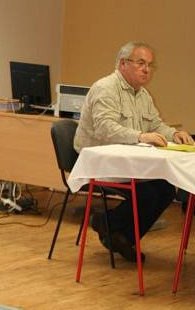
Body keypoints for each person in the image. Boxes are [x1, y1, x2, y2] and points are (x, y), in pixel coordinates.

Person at [74, 41, 193, 262]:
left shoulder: (143, 95)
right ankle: (115, 230)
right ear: (122, 64)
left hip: (127, 160)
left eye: (149, 64)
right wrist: (140, 136)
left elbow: (156, 124)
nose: (146, 69)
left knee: (166, 189)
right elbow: (105, 128)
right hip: (99, 160)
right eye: (140, 63)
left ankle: (116, 232)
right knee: (148, 192)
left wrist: (173, 134)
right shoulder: (105, 88)